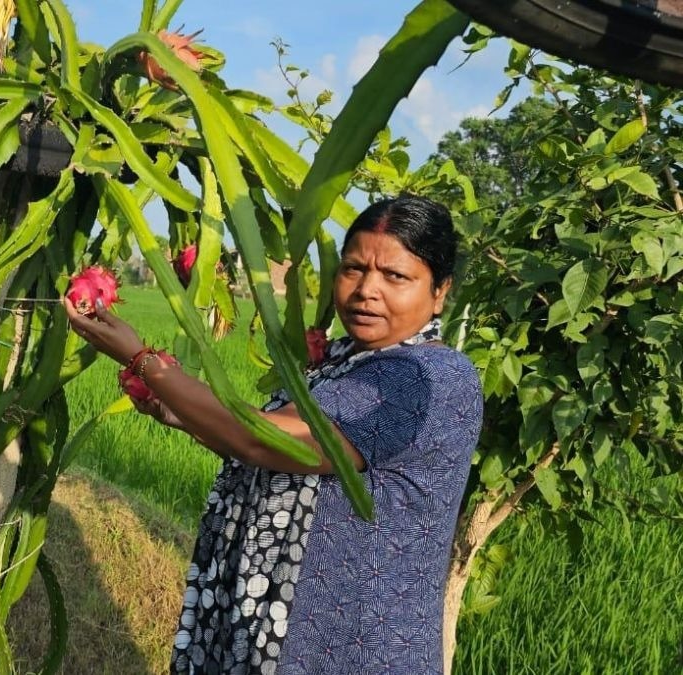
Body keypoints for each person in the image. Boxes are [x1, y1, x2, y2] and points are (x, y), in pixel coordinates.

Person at [67, 195, 484, 674]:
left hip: (354, 650)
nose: (367, 290)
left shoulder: (429, 378)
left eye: (395, 276)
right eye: (353, 269)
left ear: (439, 292)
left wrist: (145, 362)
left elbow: (267, 440)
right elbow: (273, 452)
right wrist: (179, 413)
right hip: (281, 632)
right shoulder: (346, 360)